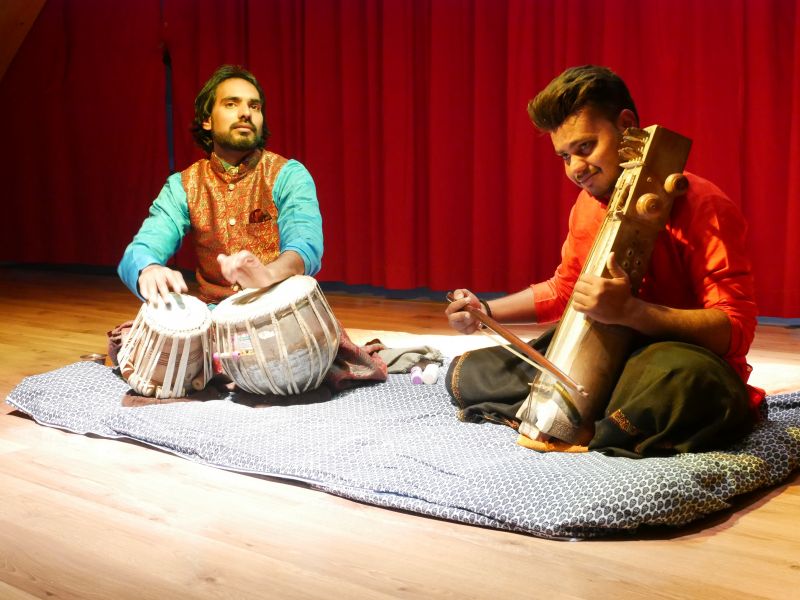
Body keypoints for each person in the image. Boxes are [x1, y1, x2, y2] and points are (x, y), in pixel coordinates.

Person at [444, 65, 761, 457]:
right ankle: (606, 426)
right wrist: (485, 310)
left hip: (673, 359)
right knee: (468, 374)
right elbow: (565, 290)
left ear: (627, 127)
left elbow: (735, 329)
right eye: (564, 156)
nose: (575, 169)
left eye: (585, 147)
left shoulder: (703, 203)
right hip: (608, 356)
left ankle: (586, 420)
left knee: (687, 386)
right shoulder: (588, 205)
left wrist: (632, 312)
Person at [119, 64, 323, 305]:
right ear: (207, 120)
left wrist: (266, 275)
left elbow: (305, 246)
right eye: (231, 104)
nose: (246, 112)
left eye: (254, 106)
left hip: (278, 307)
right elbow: (141, 249)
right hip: (216, 315)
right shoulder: (184, 186)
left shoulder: (288, 175)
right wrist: (149, 268)